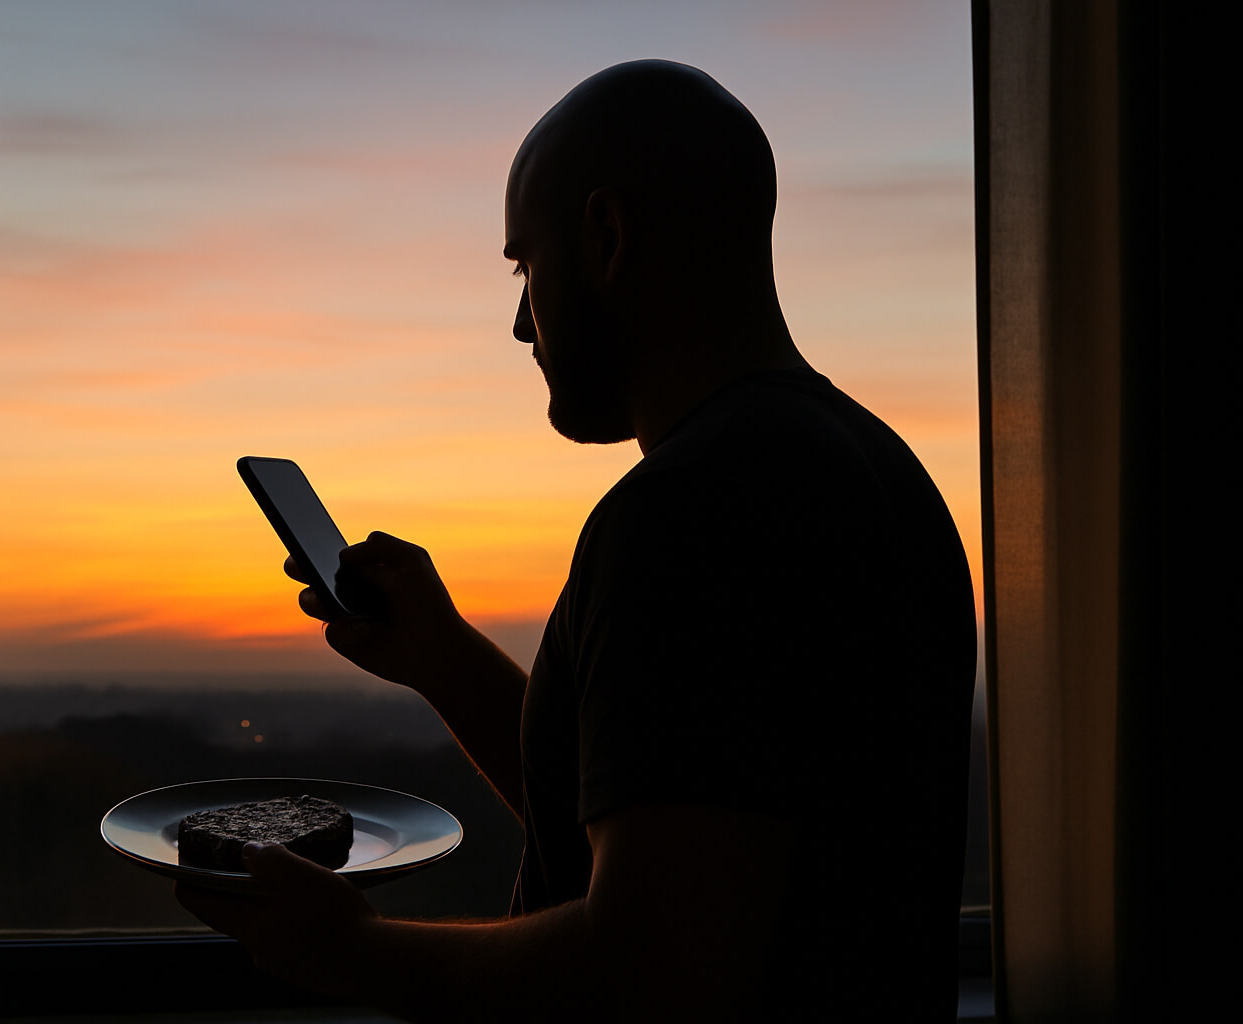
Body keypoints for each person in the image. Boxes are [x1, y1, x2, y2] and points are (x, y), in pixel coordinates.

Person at [177, 59, 976, 1022]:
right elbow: (669, 831)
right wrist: (444, 659)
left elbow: (657, 970)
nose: (521, 323)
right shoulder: (876, 472)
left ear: (606, 235)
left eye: (524, 264)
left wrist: (351, 949)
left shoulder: (689, 513)